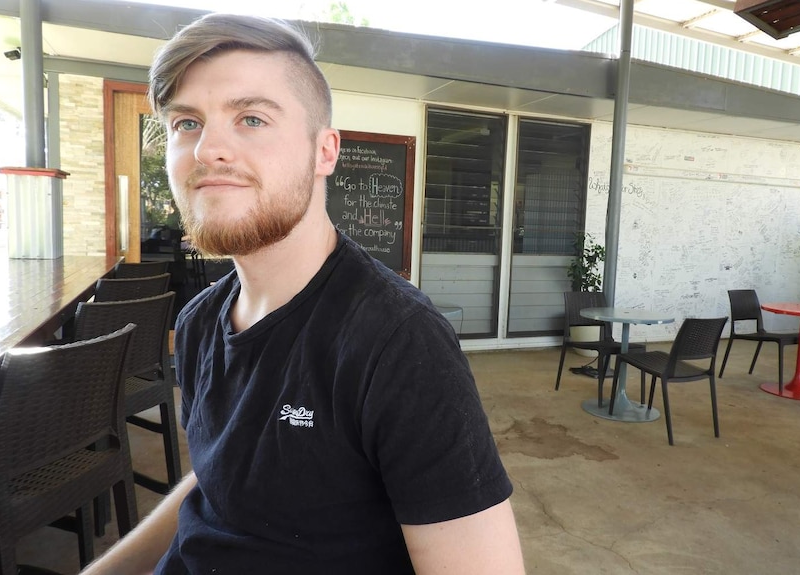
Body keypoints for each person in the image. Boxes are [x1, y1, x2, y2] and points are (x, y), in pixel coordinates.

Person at [82, 12, 525, 575]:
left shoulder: (396, 342)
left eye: (251, 118)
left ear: (325, 152)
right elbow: (215, 485)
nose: (207, 149)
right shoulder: (196, 324)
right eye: (185, 124)